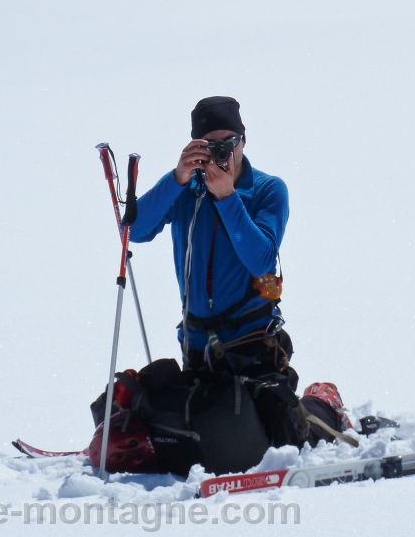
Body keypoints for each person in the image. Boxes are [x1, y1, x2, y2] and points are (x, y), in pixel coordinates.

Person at [129, 96, 301, 443]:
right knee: (199, 436)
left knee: (273, 434)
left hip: (252, 345)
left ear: (243, 141)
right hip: (198, 347)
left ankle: (323, 407)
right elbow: (134, 230)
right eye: (211, 145)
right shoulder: (184, 190)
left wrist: (227, 197)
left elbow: (261, 259)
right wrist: (177, 178)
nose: (223, 152)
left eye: (230, 143)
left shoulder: (267, 189)